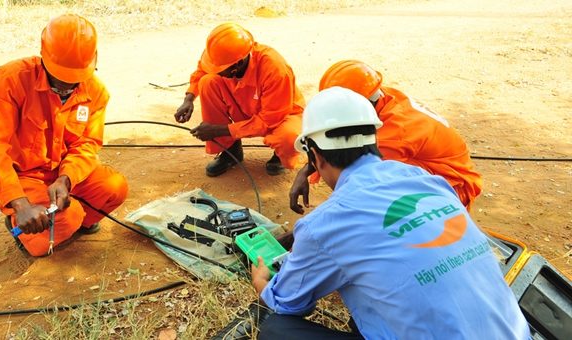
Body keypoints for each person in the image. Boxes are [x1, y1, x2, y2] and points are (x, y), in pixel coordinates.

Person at [252, 87, 529, 339]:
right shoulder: (428, 180)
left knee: (278, 330)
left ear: (317, 157)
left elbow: (288, 304)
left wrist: (262, 283)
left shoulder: (324, 226)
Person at [0, 14, 128, 257]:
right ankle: (22, 221)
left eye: (75, 80)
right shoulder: (9, 81)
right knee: (69, 217)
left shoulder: (96, 92)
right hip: (22, 180)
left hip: (61, 177)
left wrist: (66, 179)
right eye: (60, 80)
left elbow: (86, 145)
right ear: (44, 60)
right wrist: (20, 203)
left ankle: (64, 220)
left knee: (114, 188)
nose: (68, 88)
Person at [289, 60, 481, 217]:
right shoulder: (382, 96)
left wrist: (310, 229)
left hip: (452, 187)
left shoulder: (394, 135)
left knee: (378, 209)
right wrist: (306, 170)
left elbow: (360, 188)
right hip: (436, 172)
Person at [174, 23, 305, 177]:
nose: (216, 72)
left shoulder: (275, 69)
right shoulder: (219, 54)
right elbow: (202, 71)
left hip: (281, 115)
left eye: (220, 70)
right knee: (207, 81)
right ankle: (231, 151)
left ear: (238, 63)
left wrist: (216, 130)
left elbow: (268, 120)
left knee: (287, 138)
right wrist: (188, 99)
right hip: (245, 106)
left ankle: (281, 155)